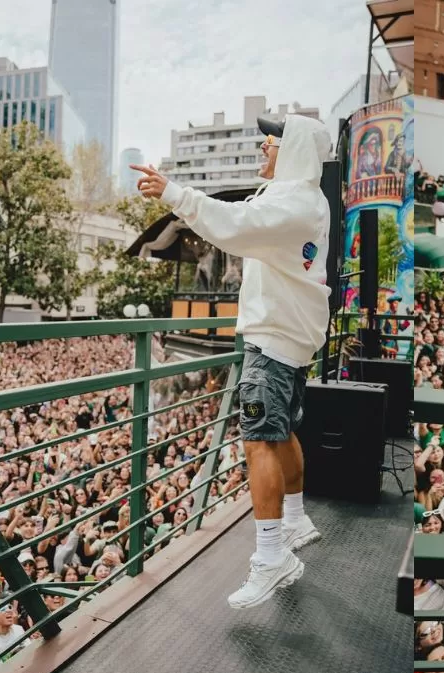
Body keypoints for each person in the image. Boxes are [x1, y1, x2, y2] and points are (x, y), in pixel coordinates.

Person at [132, 112, 332, 609]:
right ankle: (295, 519)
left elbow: (234, 224)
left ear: (296, 151)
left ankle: (271, 558)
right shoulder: (301, 199)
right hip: (288, 335)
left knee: (259, 442)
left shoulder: (294, 204)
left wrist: (173, 192)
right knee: (280, 430)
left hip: (274, 337)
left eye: (271, 143)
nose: (263, 150)